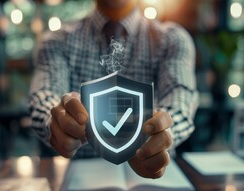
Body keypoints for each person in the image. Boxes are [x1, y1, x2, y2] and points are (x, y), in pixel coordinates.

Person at [28, 0, 198, 179]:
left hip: (152, 180)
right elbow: (45, 95)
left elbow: (180, 99)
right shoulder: (56, 41)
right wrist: (55, 120)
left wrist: (162, 135)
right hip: (80, 181)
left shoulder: (171, 40)